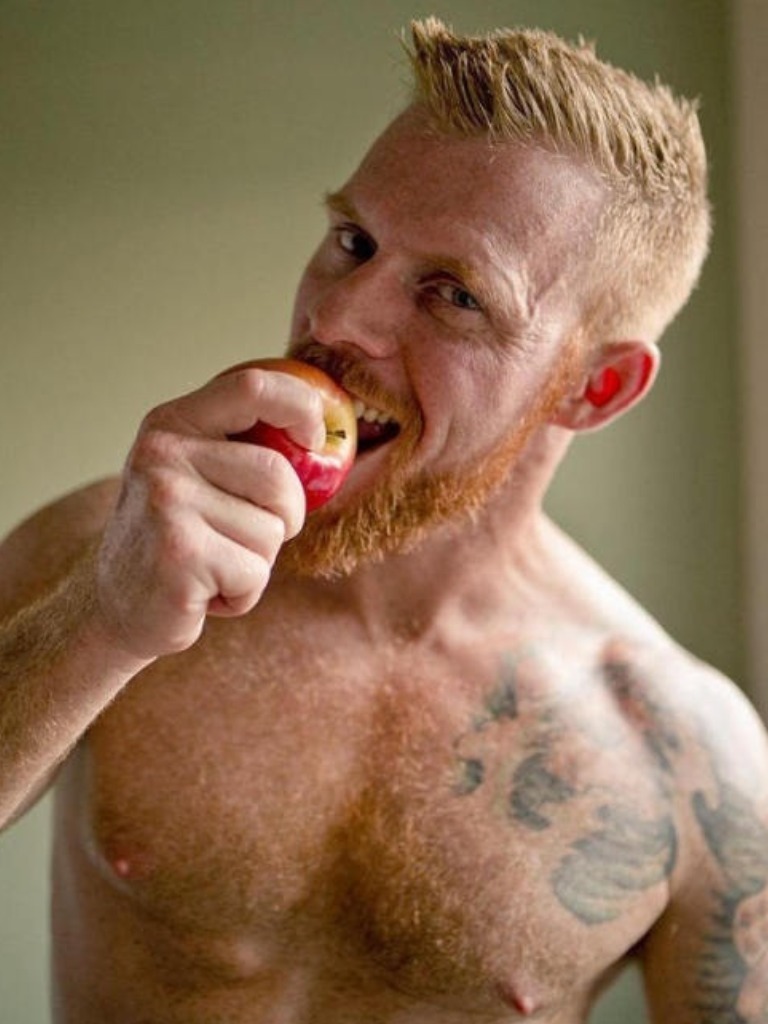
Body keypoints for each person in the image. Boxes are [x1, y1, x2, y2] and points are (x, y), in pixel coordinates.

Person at [0, 16, 766, 1023]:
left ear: (596, 386)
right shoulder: (110, 550)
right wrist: (101, 621)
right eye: (353, 242)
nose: (335, 320)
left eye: (453, 295)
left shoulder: (686, 752)